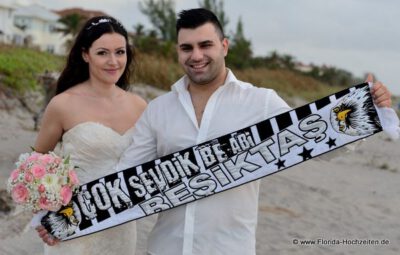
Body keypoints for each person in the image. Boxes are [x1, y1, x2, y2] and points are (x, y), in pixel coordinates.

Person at [116, 8, 393, 255]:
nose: (196, 55)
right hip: (165, 248)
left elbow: (318, 141)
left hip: (229, 248)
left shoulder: (260, 102)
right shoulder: (159, 109)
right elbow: (125, 177)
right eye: (186, 48)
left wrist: (369, 109)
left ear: (224, 46)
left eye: (205, 45)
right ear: (177, 51)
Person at [34, 16, 147, 255]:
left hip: (122, 227)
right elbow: (35, 165)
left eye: (120, 52)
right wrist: (47, 214)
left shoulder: (140, 107)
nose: (114, 61)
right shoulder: (63, 104)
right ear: (86, 54)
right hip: (74, 225)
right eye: (103, 53)